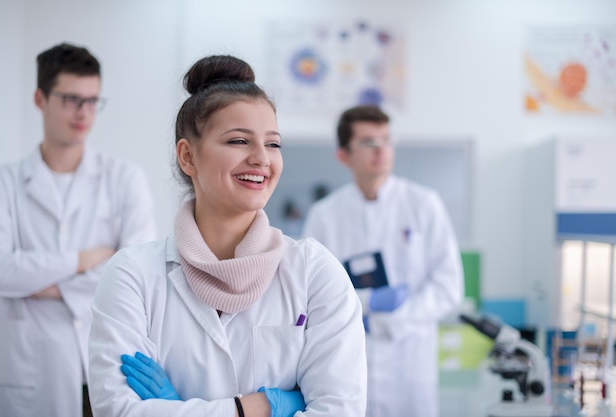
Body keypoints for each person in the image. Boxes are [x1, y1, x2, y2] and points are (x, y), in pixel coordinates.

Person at [88, 55, 367, 417]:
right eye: (239, 141)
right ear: (188, 157)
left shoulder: (313, 271)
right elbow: (117, 411)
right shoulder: (132, 275)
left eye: (273, 144)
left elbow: (339, 411)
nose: (262, 159)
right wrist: (257, 407)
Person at [0, 43, 157, 417]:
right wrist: (85, 259)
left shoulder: (124, 179)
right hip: (30, 370)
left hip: (106, 363)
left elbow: (138, 277)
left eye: (92, 101)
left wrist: (36, 284)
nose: (83, 113)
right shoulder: (2, 182)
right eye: (70, 99)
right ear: (39, 98)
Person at [302, 105, 464, 417]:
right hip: (345, 362)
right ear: (343, 155)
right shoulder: (325, 216)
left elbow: (448, 286)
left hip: (410, 365)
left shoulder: (423, 204)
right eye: (368, 142)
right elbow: (311, 292)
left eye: (386, 140)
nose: (381, 150)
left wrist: (397, 319)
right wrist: (365, 303)